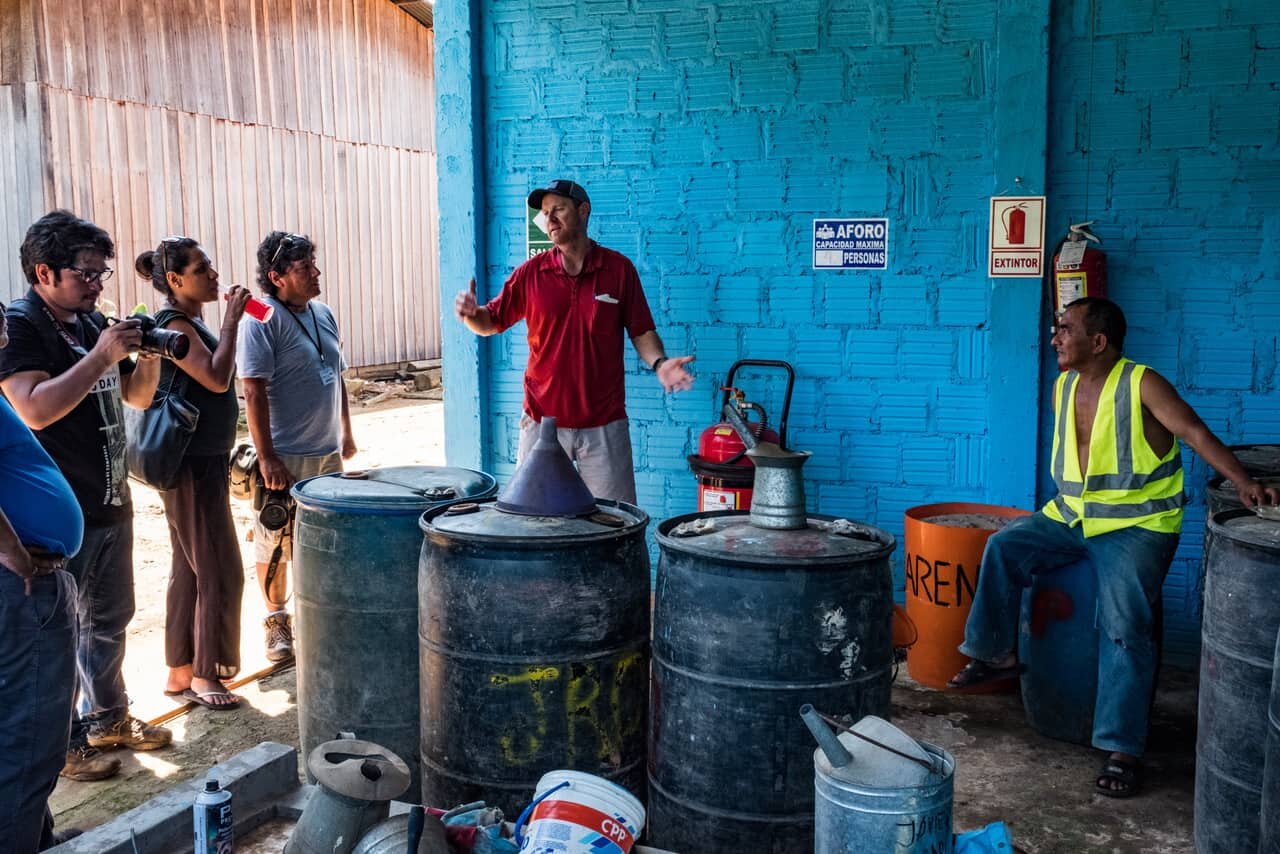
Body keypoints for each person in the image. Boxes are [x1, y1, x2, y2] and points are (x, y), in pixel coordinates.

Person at [947, 297, 1280, 798]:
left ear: (1098, 341)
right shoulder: (1064, 385)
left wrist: (1243, 483)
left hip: (1138, 525)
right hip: (1074, 515)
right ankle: (994, 654)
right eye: (1056, 329)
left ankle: (1124, 749)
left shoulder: (1142, 382)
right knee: (1004, 549)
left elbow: (1192, 431)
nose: (1056, 337)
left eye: (1065, 329)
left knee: (1126, 624)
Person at [0, 211, 172, 783]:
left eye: (102, 273)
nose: (98, 284)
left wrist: (144, 355)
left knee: (110, 621)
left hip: (108, 498)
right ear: (44, 271)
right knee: (59, 634)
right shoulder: (23, 325)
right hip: (54, 517)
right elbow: (33, 407)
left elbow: (139, 400)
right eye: (86, 273)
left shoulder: (87, 319)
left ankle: (108, 717)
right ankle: (67, 742)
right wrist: (101, 354)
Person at [453, 179, 694, 503]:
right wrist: (471, 314)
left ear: (583, 211)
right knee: (535, 522)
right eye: (545, 214)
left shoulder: (618, 269)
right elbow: (490, 322)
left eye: (559, 210)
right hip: (542, 424)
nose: (549, 220)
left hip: (604, 424)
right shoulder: (530, 274)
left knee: (613, 523)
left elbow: (641, 331)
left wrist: (660, 364)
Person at [136, 238, 251, 710]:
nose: (214, 274)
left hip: (198, 461)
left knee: (189, 566)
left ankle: (180, 671)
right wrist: (231, 323)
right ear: (177, 281)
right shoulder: (175, 326)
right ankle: (207, 674)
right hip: (190, 465)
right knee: (220, 569)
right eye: (202, 269)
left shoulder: (190, 322)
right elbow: (217, 378)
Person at [236, 231, 356, 662]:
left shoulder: (322, 312)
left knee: (323, 536)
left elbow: (336, 376)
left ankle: (316, 614)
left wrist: (346, 433)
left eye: (313, 264)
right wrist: (267, 456)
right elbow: (252, 389)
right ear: (277, 277)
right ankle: (275, 620)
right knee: (276, 540)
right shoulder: (261, 319)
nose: (315, 273)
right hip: (285, 456)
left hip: (326, 452)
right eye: (304, 268)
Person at [0, 299, 85, 851]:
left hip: (27, 578)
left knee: (24, 732)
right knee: (28, 741)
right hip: (23, 583)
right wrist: (13, 552)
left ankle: (40, 838)